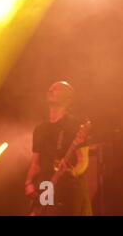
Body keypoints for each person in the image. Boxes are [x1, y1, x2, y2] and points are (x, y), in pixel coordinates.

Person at [25, 81, 92, 215]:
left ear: (67, 99)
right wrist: (28, 183)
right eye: (50, 88)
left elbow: (83, 161)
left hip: (69, 189)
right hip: (46, 187)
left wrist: (72, 172)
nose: (51, 90)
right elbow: (35, 163)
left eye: (57, 89)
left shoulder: (75, 125)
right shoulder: (40, 129)